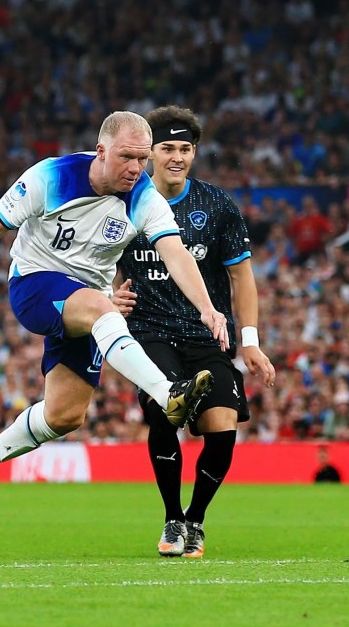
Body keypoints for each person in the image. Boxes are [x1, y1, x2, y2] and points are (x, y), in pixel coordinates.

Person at [0, 110, 229, 517]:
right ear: (101, 151)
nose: (136, 168)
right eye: (127, 157)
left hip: (89, 301)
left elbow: (175, 253)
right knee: (100, 306)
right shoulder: (50, 177)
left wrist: (208, 309)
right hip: (36, 285)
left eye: (142, 158)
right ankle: (169, 394)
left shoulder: (145, 197)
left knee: (65, 415)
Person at [114, 106, 276, 558]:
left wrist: (251, 343)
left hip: (207, 334)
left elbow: (243, 279)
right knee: (167, 407)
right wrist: (109, 296)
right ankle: (170, 516)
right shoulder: (122, 202)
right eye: (167, 148)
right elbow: (96, 258)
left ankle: (195, 521)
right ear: (149, 154)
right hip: (149, 332)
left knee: (221, 425)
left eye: (186, 148)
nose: (177, 157)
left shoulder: (218, 206)